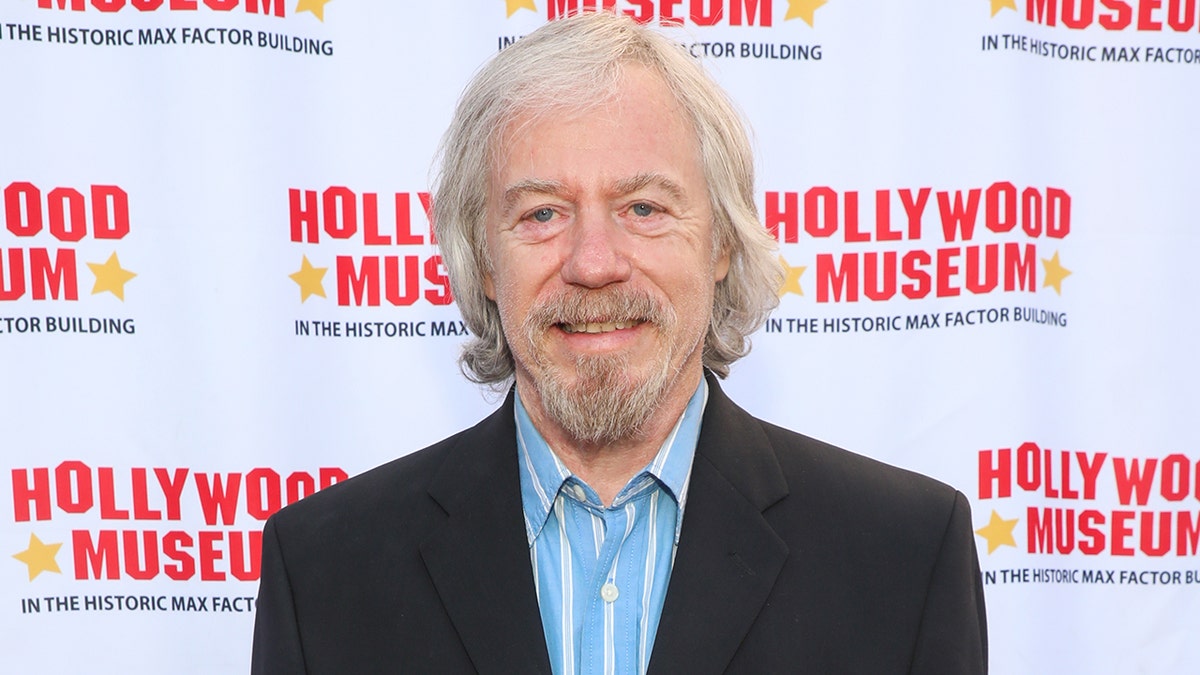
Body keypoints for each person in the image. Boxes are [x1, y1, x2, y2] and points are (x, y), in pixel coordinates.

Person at [251, 12, 987, 675]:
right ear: (482, 260)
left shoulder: (904, 559)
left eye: (643, 207)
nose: (593, 261)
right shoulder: (323, 569)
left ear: (722, 240)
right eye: (542, 213)